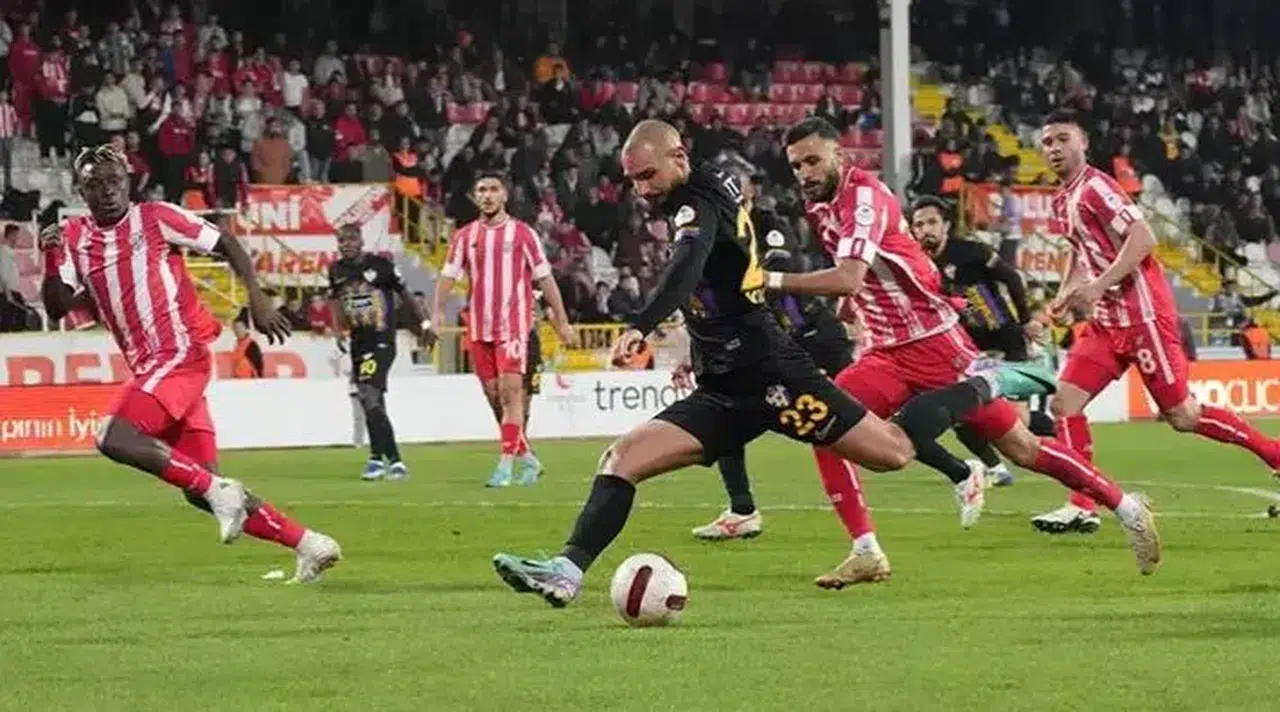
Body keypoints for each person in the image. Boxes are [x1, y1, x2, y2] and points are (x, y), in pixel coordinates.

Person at [490, 120, 1014, 607]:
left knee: (893, 452)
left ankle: (982, 385)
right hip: (723, 385)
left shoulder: (696, 204)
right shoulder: (701, 191)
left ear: (679, 157)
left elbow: (686, 267)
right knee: (622, 457)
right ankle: (566, 571)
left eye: (648, 175)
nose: (642, 190)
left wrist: (640, 324)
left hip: (771, 375)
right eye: (633, 180)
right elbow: (710, 283)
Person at [775, 117, 1160, 572]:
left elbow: (848, 277)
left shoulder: (863, 197)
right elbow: (872, 274)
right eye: (796, 166)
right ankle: (866, 552)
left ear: (839, 155)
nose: (805, 173)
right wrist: (854, 311)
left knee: (1022, 448)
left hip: (937, 346)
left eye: (813, 161)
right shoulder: (820, 205)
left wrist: (771, 280)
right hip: (886, 351)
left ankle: (1126, 507)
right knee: (824, 423)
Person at [38, 144, 340, 583]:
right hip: (152, 367)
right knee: (200, 485)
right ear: (81, 192)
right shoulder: (74, 237)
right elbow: (58, 306)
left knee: (113, 436)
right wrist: (49, 258)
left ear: (128, 181)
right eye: (95, 185)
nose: (108, 191)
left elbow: (226, 242)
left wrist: (257, 298)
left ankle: (222, 493)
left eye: (114, 181)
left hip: (180, 353)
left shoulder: (156, 217)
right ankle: (309, 544)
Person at [1034, 108, 1280, 534]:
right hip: (1108, 322)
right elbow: (1080, 249)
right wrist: (1064, 293)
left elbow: (1144, 238)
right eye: (1047, 142)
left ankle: (1275, 455)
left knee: (1182, 415)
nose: (1054, 148)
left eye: (1062, 139)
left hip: (1144, 316)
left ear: (1083, 143)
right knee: (1064, 404)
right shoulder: (1063, 198)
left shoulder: (1096, 188)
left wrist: (1098, 285)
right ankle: (1082, 505)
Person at [688, 168, 857, 541]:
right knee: (726, 413)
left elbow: (776, 270)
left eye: (737, 189)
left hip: (812, 332)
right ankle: (742, 510)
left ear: (750, 193)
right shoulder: (713, 229)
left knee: (866, 413)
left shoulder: (769, 224)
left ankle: (956, 465)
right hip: (767, 342)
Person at [430, 173, 576, 487]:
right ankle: (528, 458)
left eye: (493, 189)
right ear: (475, 197)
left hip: (513, 325)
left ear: (504, 196)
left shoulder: (523, 234)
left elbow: (545, 278)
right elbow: (448, 275)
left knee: (511, 394)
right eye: (481, 190)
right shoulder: (465, 236)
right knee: (494, 396)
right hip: (479, 327)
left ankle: (505, 465)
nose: (487, 195)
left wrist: (562, 321)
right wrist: (437, 312)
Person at [910, 195, 1059, 488]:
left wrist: (1025, 319)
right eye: (919, 225)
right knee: (959, 412)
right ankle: (995, 468)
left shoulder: (971, 251)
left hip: (1005, 339)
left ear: (946, 225)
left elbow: (1011, 277)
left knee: (1017, 423)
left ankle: (1060, 436)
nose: (925, 230)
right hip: (964, 349)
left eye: (931, 222)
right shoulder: (915, 263)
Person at [328, 223, 430, 481]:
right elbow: (335, 301)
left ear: (361, 241)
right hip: (358, 343)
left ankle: (389, 460)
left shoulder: (380, 265)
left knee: (368, 395)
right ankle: (383, 460)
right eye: (342, 240)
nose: (346, 244)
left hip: (382, 340)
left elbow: (405, 293)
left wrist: (425, 323)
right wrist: (338, 331)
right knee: (372, 401)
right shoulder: (336, 270)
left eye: (351, 239)